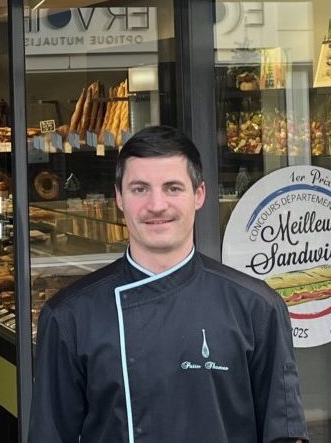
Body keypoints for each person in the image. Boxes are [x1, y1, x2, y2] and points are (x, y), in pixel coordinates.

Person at [30, 125, 308, 443]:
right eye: (139, 189)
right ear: (119, 197)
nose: (157, 205)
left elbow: (285, 435)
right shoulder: (70, 316)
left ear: (199, 195)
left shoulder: (258, 307)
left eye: (173, 188)